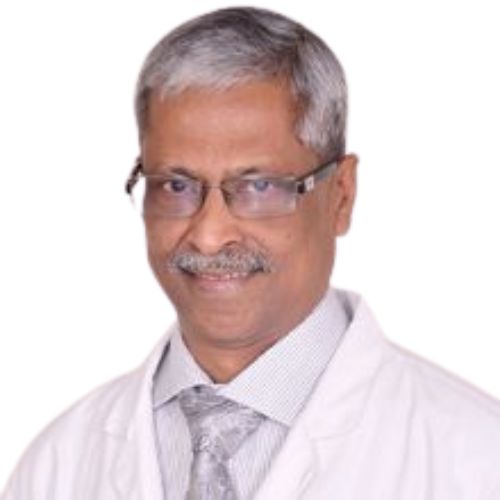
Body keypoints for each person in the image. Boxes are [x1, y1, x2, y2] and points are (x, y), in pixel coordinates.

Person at [2, 6, 500, 500]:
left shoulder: (478, 460)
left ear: (341, 195)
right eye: (176, 185)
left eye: (259, 186)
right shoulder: (58, 467)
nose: (209, 235)